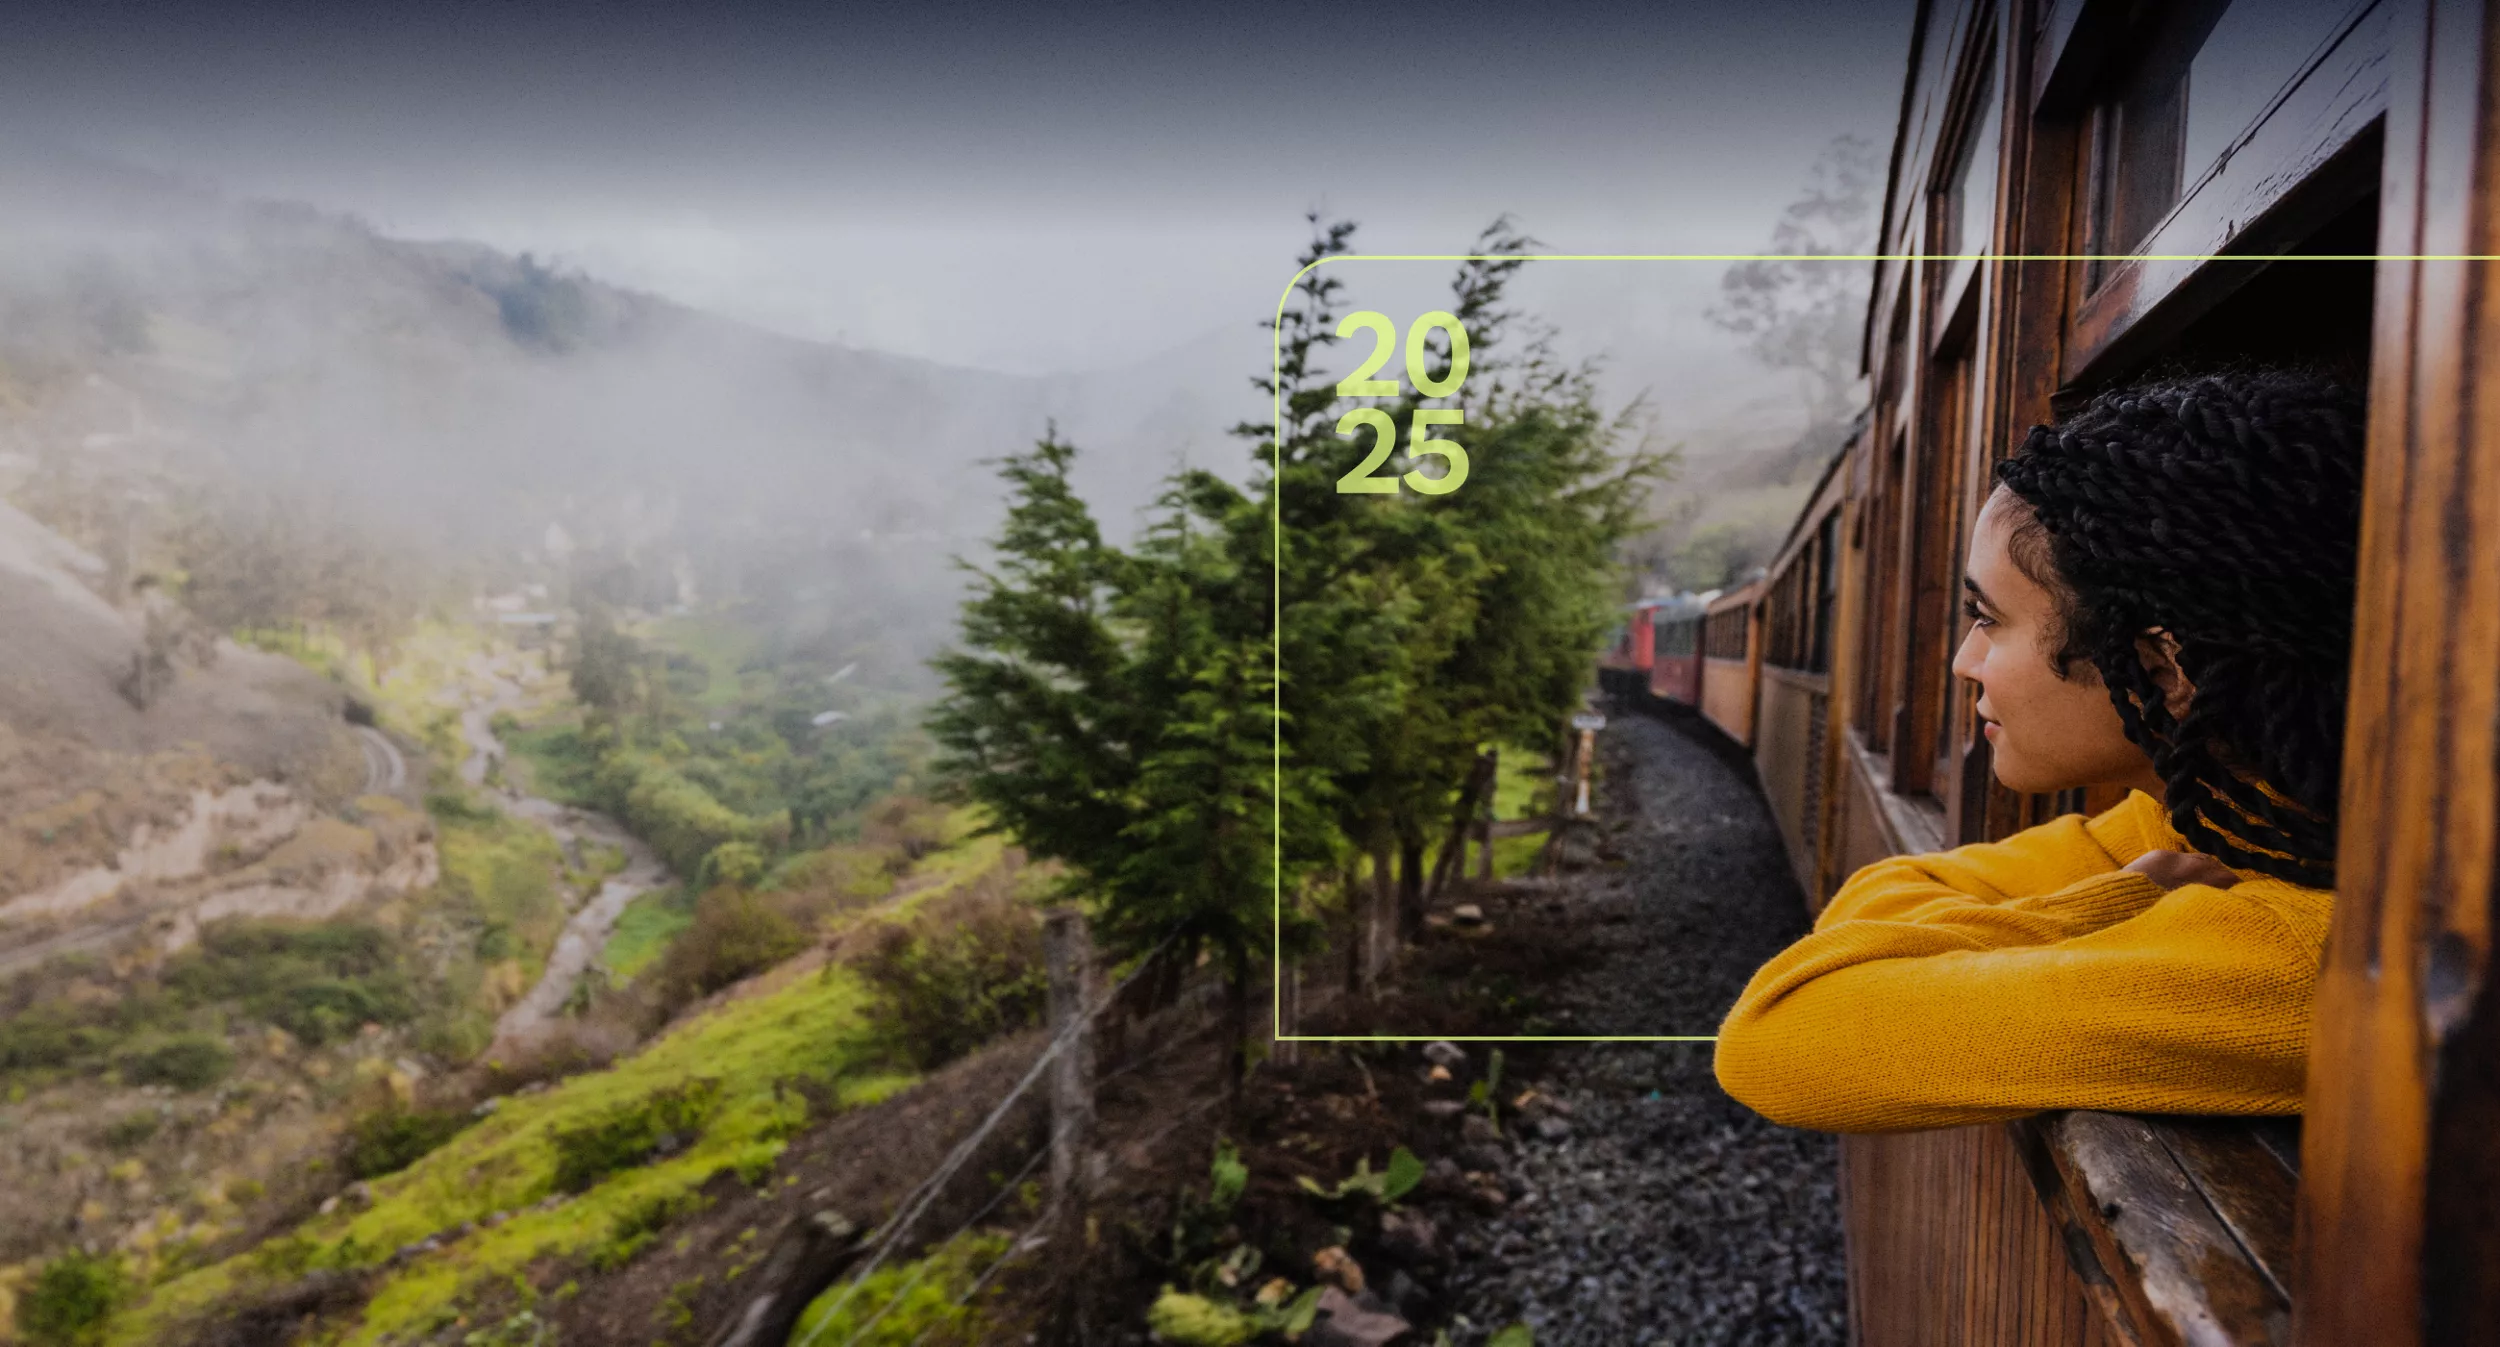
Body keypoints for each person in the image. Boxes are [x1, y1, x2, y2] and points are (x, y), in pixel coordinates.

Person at [1713, 368, 2364, 1132]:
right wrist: (2126, 891)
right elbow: (1885, 888)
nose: (1963, 661)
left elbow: (1778, 1033)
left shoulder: (2298, 965)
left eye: (1988, 621)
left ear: (2162, 671)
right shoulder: (2226, 822)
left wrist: (2122, 898)